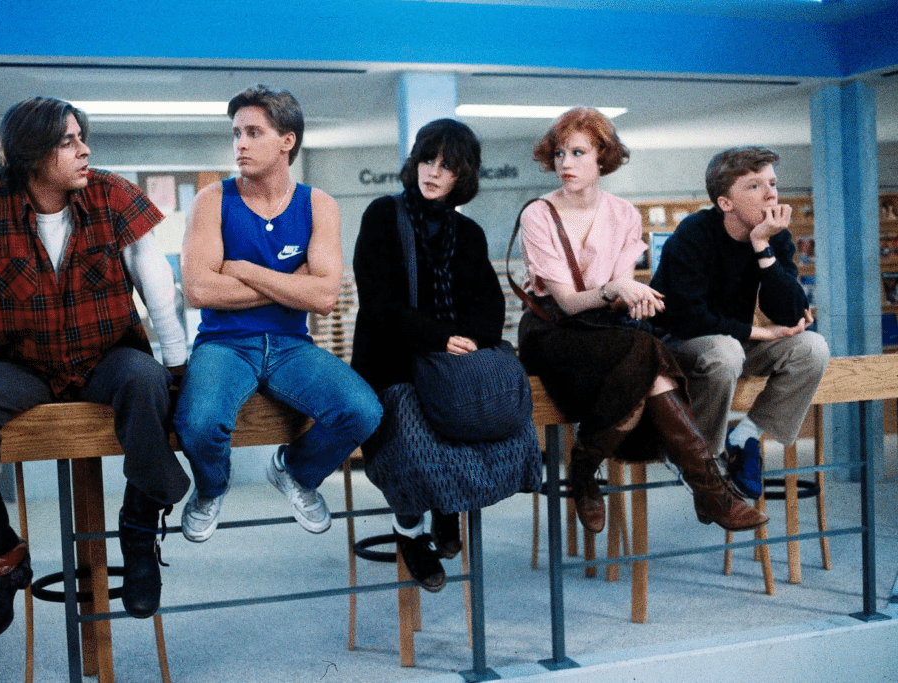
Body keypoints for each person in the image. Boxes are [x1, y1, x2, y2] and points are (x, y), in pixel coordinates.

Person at [0, 97, 190, 639]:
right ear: (32, 154)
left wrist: (175, 365)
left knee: (146, 381)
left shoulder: (111, 194)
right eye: (68, 142)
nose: (85, 150)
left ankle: (139, 528)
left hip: (110, 356)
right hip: (23, 365)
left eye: (82, 137)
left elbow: (156, 282)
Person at [516, 108, 768, 535]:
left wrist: (635, 301)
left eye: (578, 152)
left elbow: (614, 300)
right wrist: (617, 290)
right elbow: (569, 302)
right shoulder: (538, 214)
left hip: (606, 330)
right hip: (553, 329)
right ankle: (708, 487)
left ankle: (589, 468)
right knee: (648, 354)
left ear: (603, 157)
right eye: (559, 153)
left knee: (646, 352)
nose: (566, 164)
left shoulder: (625, 215)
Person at [174, 85, 382, 542]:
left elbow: (325, 297)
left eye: (253, 132)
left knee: (362, 410)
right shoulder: (213, 200)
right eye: (236, 133)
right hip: (225, 344)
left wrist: (246, 270)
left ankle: (295, 472)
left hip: (291, 346)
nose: (240, 144)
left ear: (286, 141)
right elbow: (199, 288)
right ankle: (211, 489)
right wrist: (292, 284)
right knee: (199, 422)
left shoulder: (318, 205)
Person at [351, 119, 541, 592]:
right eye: (427, 160)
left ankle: (448, 504)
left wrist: (471, 341)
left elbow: (489, 302)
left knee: (488, 422)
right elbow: (377, 302)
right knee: (413, 438)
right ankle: (408, 530)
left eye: (447, 166)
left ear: (463, 177)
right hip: (393, 361)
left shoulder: (469, 233)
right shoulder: (382, 215)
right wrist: (439, 337)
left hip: (452, 363)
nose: (432, 172)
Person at [650, 147, 829, 499]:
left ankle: (745, 435)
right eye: (754, 186)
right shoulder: (694, 234)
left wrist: (762, 246)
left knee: (812, 348)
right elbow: (689, 318)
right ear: (725, 203)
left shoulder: (774, 234)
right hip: (678, 341)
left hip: (731, 341)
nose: (770, 193)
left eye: (773, 183)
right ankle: (699, 457)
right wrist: (761, 332)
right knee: (726, 351)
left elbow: (791, 314)